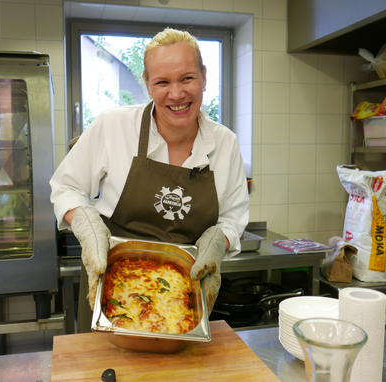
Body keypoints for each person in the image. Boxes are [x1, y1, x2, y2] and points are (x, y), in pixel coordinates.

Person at [50, 27, 250, 332]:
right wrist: (86, 223)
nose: (177, 94)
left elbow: (234, 218)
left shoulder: (226, 143)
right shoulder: (113, 126)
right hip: (115, 287)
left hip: (181, 295)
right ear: (147, 83)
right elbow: (65, 187)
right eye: (162, 82)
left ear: (204, 76)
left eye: (187, 78)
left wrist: (216, 242)